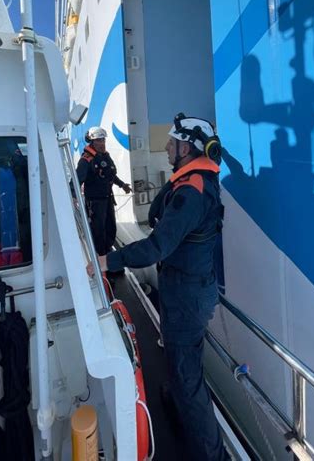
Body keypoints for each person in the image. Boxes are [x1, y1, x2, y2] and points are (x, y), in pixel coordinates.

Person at [87, 114, 228, 460]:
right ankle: (180, 402)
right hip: (185, 290)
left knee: (188, 381)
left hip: (186, 297)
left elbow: (156, 247)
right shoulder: (192, 182)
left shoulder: (192, 192)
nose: (165, 146)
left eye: (172, 142)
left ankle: (214, 455)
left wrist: (107, 261)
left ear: (187, 147)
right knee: (183, 370)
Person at [75, 126, 131, 258]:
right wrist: (73, 197)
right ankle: (100, 257)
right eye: (98, 141)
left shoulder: (105, 156)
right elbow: (76, 181)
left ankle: (108, 251)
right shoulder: (86, 160)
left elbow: (110, 175)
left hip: (108, 199)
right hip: (95, 202)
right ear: (92, 142)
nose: (102, 143)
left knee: (110, 227)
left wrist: (122, 185)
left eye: (103, 140)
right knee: (98, 230)